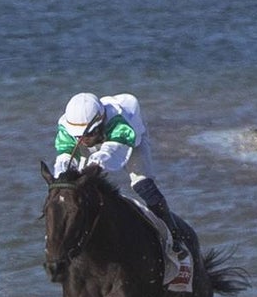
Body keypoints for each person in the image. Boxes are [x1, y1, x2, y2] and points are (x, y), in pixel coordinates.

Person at [52, 92, 183, 253]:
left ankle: (174, 237)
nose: (84, 139)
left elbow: (112, 151)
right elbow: (65, 156)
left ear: (101, 122)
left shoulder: (118, 122)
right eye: (78, 136)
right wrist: (61, 176)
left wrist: (95, 164)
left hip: (130, 142)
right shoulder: (67, 129)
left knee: (143, 185)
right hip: (99, 149)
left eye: (89, 133)